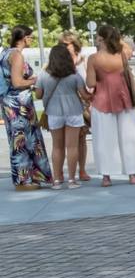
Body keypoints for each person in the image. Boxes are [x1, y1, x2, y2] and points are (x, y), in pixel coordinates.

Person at [86, 24, 135, 187]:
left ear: (99, 38)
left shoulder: (93, 58)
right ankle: (132, 175)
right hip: (124, 99)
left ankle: (106, 177)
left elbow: (91, 82)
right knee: (129, 137)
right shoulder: (122, 54)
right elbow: (127, 47)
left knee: (104, 139)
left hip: (102, 101)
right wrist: (116, 36)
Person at [1, 26, 53, 190]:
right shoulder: (16, 56)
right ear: (24, 38)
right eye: (30, 37)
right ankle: (24, 181)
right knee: (23, 141)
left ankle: (28, 178)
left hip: (11, 103)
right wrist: (35, 80)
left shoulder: (5, 53)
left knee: (20, 140)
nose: (31, 40)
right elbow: (17, 82)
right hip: (19, 105)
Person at [36, 43, 90, 189]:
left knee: (57, 147)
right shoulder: (74, 75)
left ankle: (57, 180)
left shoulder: (43, 75)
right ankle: (72, 180)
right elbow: (85, 95)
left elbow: (38, 95)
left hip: (53, 112)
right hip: (73, 111)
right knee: (72, 147)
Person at [59, 31, 92, 183]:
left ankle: (82, 170)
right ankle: (61, 172)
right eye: (62, 45)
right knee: (62, 140)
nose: (64, 47)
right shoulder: (56, 60)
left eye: (66, 44)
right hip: (63, 102)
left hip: (82, 102)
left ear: (74, 44)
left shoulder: (83, 60)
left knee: (81, 138)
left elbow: (89, 80)